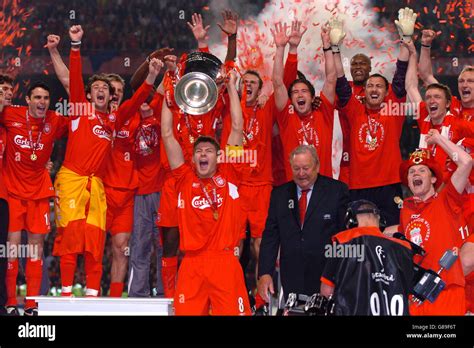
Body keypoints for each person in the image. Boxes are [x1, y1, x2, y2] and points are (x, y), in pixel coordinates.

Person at [52, 25, 162, 298]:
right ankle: (66, 294)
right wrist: (75, 46)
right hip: (71, 180)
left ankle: (93, 294)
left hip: (97, 185)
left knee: (95, 239)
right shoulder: (79, 108)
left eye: (105, 88)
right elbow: (74, 79)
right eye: (96, 87)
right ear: (89, 95)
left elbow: (136, 102)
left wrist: (151, 76)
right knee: (71, 237)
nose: (101, 90)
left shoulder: (114, 121)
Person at [160, 69, 251, 315]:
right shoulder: (183, 177)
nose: (202, 154)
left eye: (208, 151)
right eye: (199, 150)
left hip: (224, 262)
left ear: (218, 157)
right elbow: (167, 134)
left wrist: (232, 86)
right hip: (191, 263)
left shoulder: (230, 173)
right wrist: (170, 95)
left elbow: (237, 128)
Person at [332, 8, 415, 226]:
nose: (374, 89)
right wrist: (334, 48)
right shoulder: (354, 109)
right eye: (370, 86)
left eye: (379, 86)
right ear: (364, 90)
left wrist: (406, 39)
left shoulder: (393, 108)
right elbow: (340, 81)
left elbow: (400, 73)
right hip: (359, 185)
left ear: (387, 92)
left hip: (390, 183)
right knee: (362, 234)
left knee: (394, 232)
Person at [0, 81, 68, 315]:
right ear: (27, 99)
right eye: (37, 97)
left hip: (39, 192)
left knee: (36, 250)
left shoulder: (55, 120)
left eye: (45, 98)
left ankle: (31, 304)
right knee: (12, 248)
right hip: (13, 192)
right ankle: (10, 302)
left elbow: (80, 122)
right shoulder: (10, 114)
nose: (41, 102)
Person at [257, 145, 348, 304]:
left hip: (325, 278)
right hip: (292, 278)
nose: (301, 173)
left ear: (317, 166)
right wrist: (265, 273)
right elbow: (271, 236)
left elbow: (345, 237)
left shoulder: (337, 191)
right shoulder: (279, 195)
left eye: (306, 168)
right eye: (296, 168)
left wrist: (333, 276)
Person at [399, 130, 472, 315]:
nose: (416, 173)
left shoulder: (447, 198)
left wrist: (439, 139)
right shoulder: (405, 209)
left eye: (422, 170)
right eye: (411, 172)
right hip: (415, 296)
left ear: (433, 179)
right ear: (408, 181)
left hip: (446, 291)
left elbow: (466, 162)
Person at [320, 200, 414, 315]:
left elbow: (327, 291)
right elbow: (408, 298)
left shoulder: (341, 241)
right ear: (380, 220)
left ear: (351, 221)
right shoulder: (404, 248)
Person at [272, 21, 337, 181]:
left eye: (304, 91)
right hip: (294, 187)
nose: (299, 95)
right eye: (294, 92)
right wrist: (282, 48)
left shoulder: (324, 112)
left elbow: (331, 78)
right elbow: (277, 82)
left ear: (312, 97)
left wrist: (327, 47)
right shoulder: (287, 116)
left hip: (324, 187)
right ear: (291, 99)